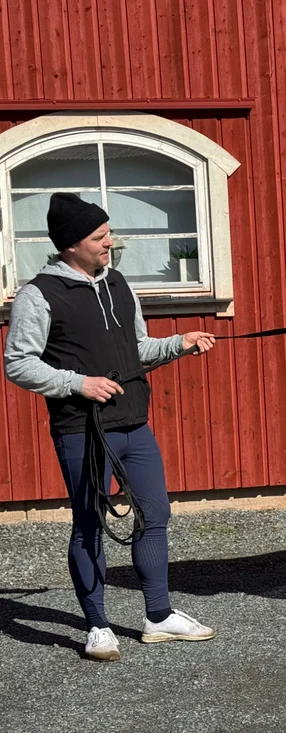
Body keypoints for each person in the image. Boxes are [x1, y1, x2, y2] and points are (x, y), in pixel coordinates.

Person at [4, 192, 218, 662]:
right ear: (70, 244)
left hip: (133, 425)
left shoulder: (118, 283)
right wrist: (77, 383)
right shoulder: (38, 294)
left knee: (154, 516)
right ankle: (97, 626)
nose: (110, 243)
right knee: (88, 527)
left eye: (108, 234)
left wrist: (180, 343)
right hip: (81, 430)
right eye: (100, 237)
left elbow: (136, 348)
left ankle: (158, 617)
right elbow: (17, 364)